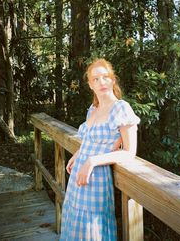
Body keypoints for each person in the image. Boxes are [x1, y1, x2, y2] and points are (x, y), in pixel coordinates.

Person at [60, 58, 140, 241]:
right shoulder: (93, 109)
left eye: (105, 77)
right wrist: (79, 154)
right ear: (90, 85)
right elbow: (90, 140)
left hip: (96, 178)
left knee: (92, 231)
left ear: (113, 79)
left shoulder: (121, 109)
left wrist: (92, 161)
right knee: (75, 225)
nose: (101, 82)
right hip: (78, 178)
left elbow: (129, 152)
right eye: (95, 79)